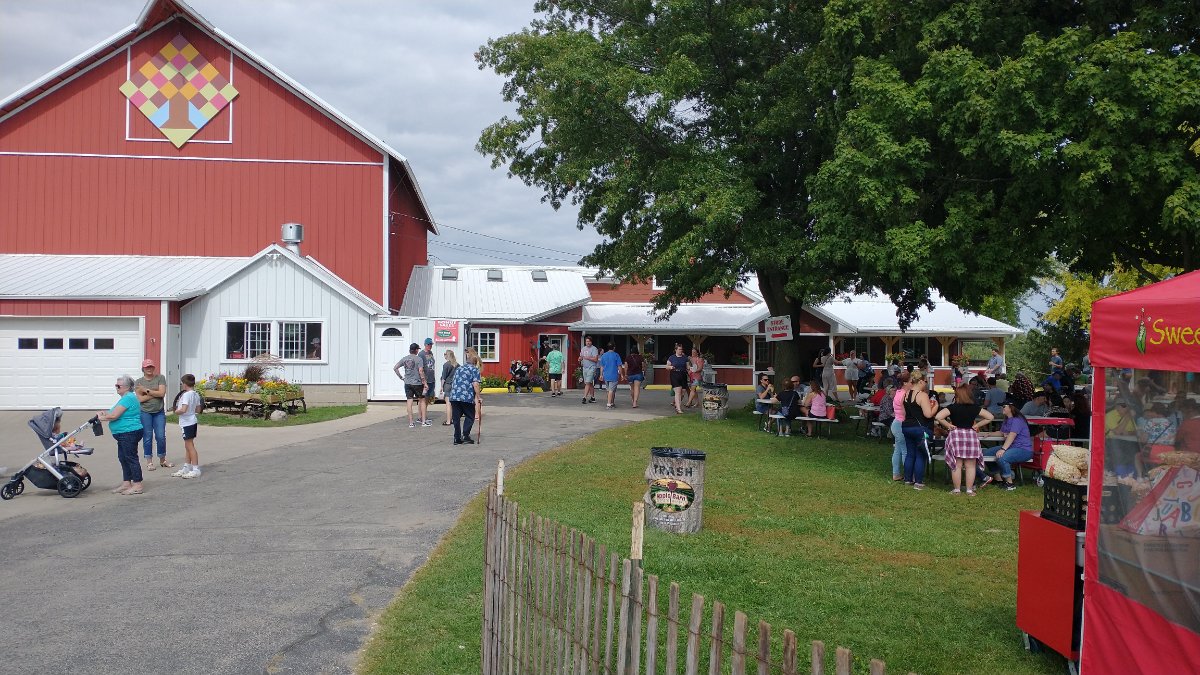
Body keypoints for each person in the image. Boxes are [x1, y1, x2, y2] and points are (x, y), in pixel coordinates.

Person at [935, 384, 994, 495]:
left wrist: (948, 425)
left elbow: (938, 416)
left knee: (957, 465)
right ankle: (969, 490)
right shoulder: (974, 407)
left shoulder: (952, 407)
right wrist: (977, 425)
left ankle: (957, 490)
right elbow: (990, 417)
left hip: (956, 435)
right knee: (970, 465)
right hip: (970, 436)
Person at [98, 374, 145, 495]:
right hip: (123, 433)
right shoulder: (125, 398)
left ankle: (137, 484)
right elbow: (114, 412)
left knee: (131, 458)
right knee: (123, 458)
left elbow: (114, 416)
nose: (116, 387)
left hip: (129, 432)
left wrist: (102, 418)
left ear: (127, 387)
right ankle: (126, 482)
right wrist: (105, 413)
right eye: (116, 385)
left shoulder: (128, 398)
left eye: (118, 386)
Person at [983, 400, 1035, 491]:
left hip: (1023, 449)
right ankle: (998, 479)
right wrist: (990, 434)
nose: (1001, 408)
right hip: (1012, 447)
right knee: (986, 453)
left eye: (1004, 406)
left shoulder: (1017, 419)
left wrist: (1003, 449)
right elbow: (1002, 432)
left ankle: (1009, 483)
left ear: (1011, 408)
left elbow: (1012, 435)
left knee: (1002, 458)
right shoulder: (1007, 419)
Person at [901, 369, 939, 490]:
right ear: (921, 382)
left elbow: (903, 413)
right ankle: (918, 482)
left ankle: (908, 479)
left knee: (910, 454)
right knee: (920, 455)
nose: (926, 384)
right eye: (925, 381)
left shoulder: (905, 394)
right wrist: (936, 407)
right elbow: (928, 414)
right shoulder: (922, 395)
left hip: (906, 427)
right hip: (920, 428)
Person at [135, 359, 173, 472]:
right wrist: (154, 392)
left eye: (151, 367)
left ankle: (163, 460)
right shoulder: (138, 382)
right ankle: (149, 462)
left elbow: (162, 393)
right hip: (145, 412)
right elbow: (140, 399)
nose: (149, 369)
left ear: (154, 368)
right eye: (147, 367)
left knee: (161, 436)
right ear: (143, 369)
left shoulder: (160, 378)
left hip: (159, 412)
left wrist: (145, 390)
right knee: (147, 437)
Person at [171, 373, 203, 479]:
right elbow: (198, 409)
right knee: (188, 445)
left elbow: (183, 409)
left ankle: (195, 469)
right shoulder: (196, 394)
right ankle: (187, 466)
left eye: (182, 383)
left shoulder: (186, 395)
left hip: (186, 422)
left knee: (190, 446)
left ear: (185, 384)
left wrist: (176, 411)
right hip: (192, 421)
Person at [449, 348, 482, 445]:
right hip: (466, 397)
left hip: (454, 396)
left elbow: (454, 381)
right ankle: (466, 435)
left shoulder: (459, 368)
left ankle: (457, 438)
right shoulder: (474, 370)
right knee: (470, 416)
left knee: (456, 418)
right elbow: (475, 384)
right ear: (475, 362)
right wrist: (479, 397)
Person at [393, 343, 429, 428]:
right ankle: (423, 421)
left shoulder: (404, 359)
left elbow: (395, 368)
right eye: (417, 349)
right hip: (417, 383)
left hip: (407, 383)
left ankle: (411, 422)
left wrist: (401, 377)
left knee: (409, 401)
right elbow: (421, 371)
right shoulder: (419, 359)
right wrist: (425, 383)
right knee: (422, 400)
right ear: (416, 350)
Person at [890, 371, 911, 481]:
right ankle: (908, 476)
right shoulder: (904, 395)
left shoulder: (898, 392)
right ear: (906, 383)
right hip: (901, 424)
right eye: (911, 382)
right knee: (905, 451)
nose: (912, 384)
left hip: (896, 423)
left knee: (898, 450)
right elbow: (904, 412)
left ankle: (896, 474)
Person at [599, 343, 623, 409]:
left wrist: (601, 375)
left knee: (609, 390)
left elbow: (602, 366)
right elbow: (619, 365)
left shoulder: (604, 355)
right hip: (614, 375)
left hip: (606, 375)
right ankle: (609, 404)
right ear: (614, 347)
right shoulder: (616, 355)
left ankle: (612, 402)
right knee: (611, 390)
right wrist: (621, 374)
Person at [667, 343, 689, 414]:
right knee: (678, 392)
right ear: (676, 350)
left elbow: (687, 367)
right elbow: (667, 366)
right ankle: (679, 409)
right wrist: (671, 367)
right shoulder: (671, 357)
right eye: (679, 349)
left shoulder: (685, 358)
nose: (681, 351)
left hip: (683, 375)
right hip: (675, 375)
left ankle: (677, 404)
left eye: (681, 349)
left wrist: (690, 370)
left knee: (683, 392)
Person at [440, 350, 459, 425]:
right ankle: (454, 419)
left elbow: (443, 377)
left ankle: (448, 421)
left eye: (445, 354)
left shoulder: (446, 365)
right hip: (455, 385)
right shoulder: (457, 365)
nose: (444, 355)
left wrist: (441, 387)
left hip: (447, 385)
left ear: (447, 355)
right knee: (454, 404)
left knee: (448, 403)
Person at [579, 336, 599, 404]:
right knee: (589, 383)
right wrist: (580, 358)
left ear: (591, 342)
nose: (588, 342)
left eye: (589, 341)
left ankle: (584, 397)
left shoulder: (594, 349)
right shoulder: (583, 349)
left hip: (591, 367)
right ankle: (592, 398)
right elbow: (581, 356)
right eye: (587, 341)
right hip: (585, 367)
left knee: (587, 382)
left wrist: (588, 358)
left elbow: (596, 359)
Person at [421, 338, 437, 406]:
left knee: (428, 397)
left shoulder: (431, 353)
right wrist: (423, 380)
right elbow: (420, 368)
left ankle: (425, 411)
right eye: (429, 344)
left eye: (431, 344)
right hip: (425, 379)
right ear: (425, 345)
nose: (430, 346)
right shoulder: (421, 354)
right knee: (423, 398)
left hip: (431, 378)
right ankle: (421, 412)